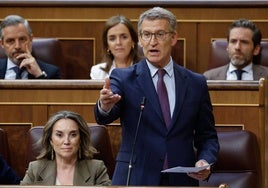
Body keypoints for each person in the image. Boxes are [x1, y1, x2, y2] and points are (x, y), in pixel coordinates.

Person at [94, 7, 219, 186]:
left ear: (173, 37)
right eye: (146, 34)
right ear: (140, 39)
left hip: (181, 179)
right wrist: (104, 106)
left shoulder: (195, 83)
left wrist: (205, 161)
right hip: (136, 177)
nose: (153, 42)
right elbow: (105, 115)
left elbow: (207, 136)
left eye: (160, 34)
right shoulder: (123, 78)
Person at [21, 110, 111, 185]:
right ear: (50, 140)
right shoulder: (35, 169)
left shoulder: (96, 168)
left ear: (80, 139)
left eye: (73, 135)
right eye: (59, 135)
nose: (66, 141)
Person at [204, 18, 268, 80]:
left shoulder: (266, 76)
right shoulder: (209, 77)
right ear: (227, 46)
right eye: (233, 41)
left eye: (244, 42)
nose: (237, 47)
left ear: (256, 49)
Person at [0, 15, 61, 79]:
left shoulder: (52, 72)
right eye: (10, 41)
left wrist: (39, 75)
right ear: (2, 44)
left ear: (31, 39)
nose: (17, 46)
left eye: (22, 39)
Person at [90, 15, 140, 79]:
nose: (118, 42)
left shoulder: (147, 69)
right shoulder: (98, 72)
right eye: (112, 39)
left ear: (133, 41)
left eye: (124, 37)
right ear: (107, 45)